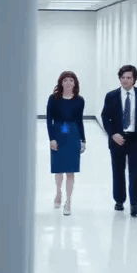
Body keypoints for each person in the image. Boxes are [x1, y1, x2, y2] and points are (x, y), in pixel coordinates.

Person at [101, 65, 137, 217]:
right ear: (119, 79)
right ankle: (119, 200)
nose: (125, 80)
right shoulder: (111, 96)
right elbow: (105, 116)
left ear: (134, 79)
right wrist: (113, 134)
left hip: (136, 139)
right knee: (118, 170)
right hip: (118, 139)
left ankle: (134, 203)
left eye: (129, 78)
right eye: (123, 77)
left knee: (135, 172)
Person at [46, 71, 86, 216]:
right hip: (58, 134)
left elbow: (79, 120)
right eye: (65, 80)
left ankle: (68, 201)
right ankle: (58, 193)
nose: (68, 83)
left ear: (75, 83)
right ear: (61, 83)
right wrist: (52, 138)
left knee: (70, 170)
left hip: (73, 135)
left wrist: (83, 140)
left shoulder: (79, 100)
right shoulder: (53, 98)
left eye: (71, 80)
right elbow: (49, 120)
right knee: (58, 169)